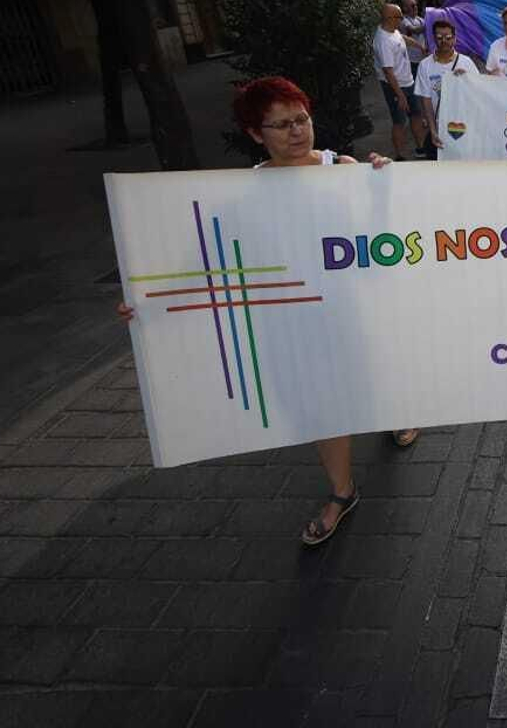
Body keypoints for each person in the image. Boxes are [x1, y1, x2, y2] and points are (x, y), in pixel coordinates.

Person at [116, 78, 410, 547]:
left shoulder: (345, 169)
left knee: (369, 380)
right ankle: (342, 491)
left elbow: (385, 239)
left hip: (353, 311)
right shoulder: (247, 194)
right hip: (294, 324)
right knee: (321, 406)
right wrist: (151, 301)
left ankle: (397, 414)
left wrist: (382, 188)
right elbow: (208, 262)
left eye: (302, 119)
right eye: (281, 124)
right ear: (256, 134)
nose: (296, 132)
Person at [416, 17, 479, 156]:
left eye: (448, 37)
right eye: (439, 37)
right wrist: (432, 130)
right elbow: (426, 101)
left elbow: (478, 94)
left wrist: (467, 79)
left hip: (464, 127)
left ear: (455, 38)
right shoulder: (425, 65)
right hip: (439, 128)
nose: (444, 41)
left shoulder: (466, 63)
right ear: (433, 39)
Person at [374, 3, 425, 160]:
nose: (402, 20)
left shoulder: (392, 30)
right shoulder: (383, 41)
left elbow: (401, 37)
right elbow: (388, 72)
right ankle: (400, 156)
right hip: (395, 87)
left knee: (416, 115)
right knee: (399, 122)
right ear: (389, 18)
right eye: (399, 17)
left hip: (407, 81)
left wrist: (418, 46)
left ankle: (421, 149)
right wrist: (400, 96)